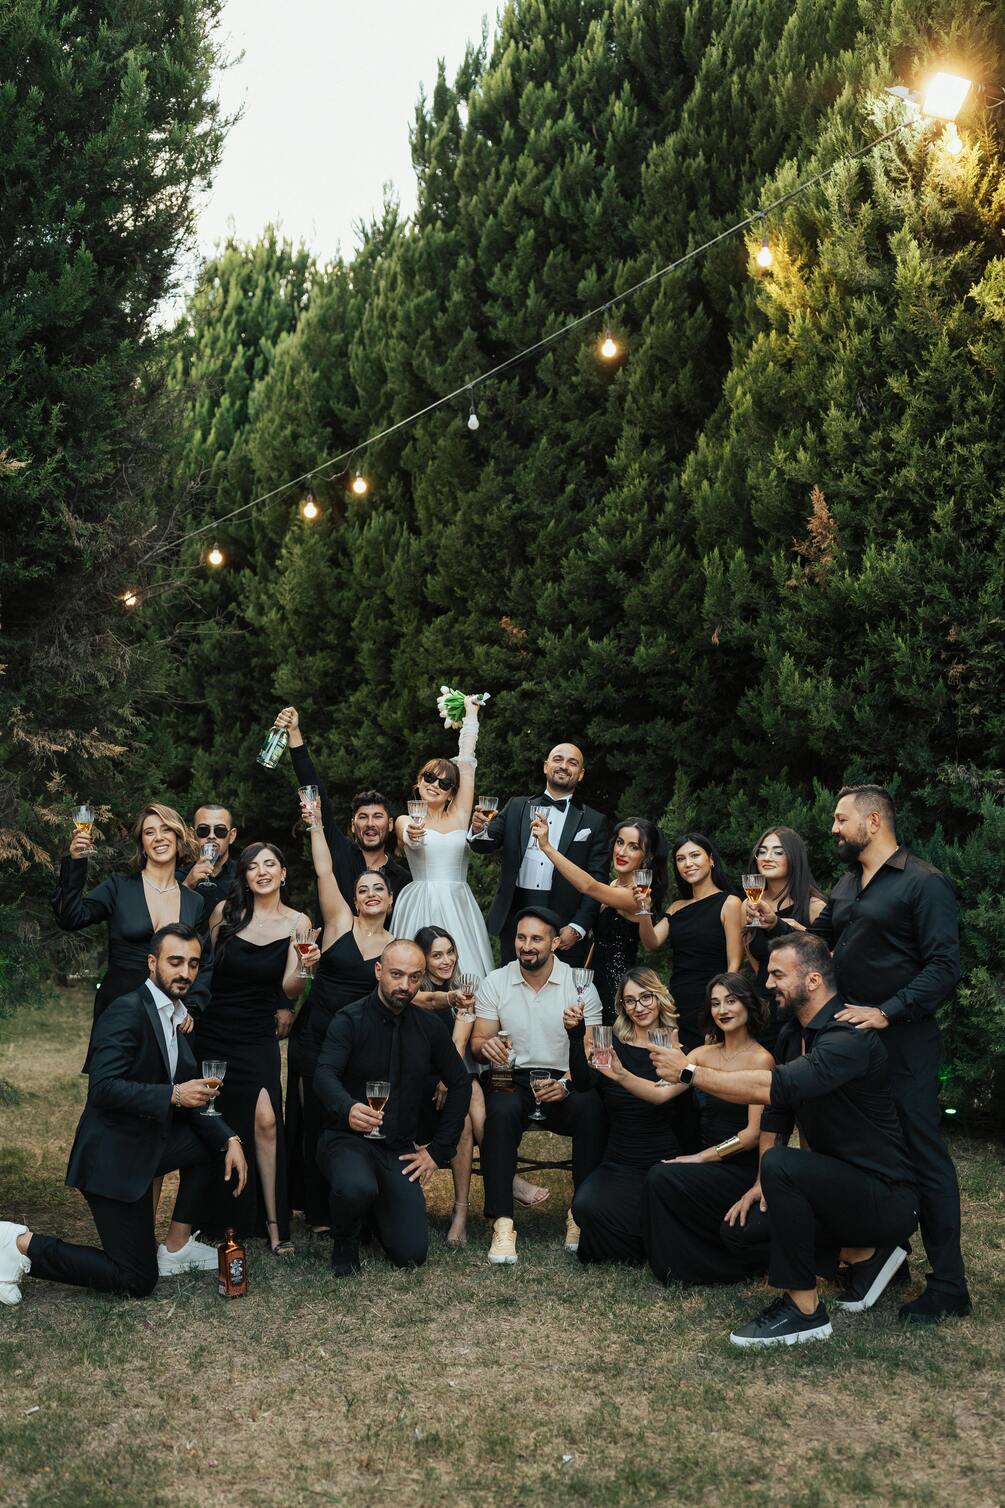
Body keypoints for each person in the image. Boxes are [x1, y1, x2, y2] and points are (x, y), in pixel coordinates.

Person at [750, 784, 969, 1324]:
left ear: (873, 822)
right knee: (852, 1153)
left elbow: (945, 967)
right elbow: (816, 942)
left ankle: (949, 1286)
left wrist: (887, 1011)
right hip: (849, 1048)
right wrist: (773, 928)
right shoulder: (848, 884)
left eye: (840, 819)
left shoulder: (924, 882)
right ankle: (880, 1257)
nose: (833, 828)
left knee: (924, 1158)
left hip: (904, 1045)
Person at [650, 934, 919, 1348]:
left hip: (885, 1196)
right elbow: (777, 1113)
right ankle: (864, 1255)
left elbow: (775, 1087)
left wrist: (689, 1072)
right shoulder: (794, 1035)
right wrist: (761, 1182)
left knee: (782, 1165)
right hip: (834, 1187)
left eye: (777, 974)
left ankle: (804, 1311)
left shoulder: (848, 1037)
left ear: (812, 980)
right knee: (744, 1229)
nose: (768, 983)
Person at [0, 925, 248, 1305]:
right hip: (112, 1159)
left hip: (147, 1144)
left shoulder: (178, 1017)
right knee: (136, 1279)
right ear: (152, 963)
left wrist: (230, 1138)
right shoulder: (126, 1010)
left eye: (193, 964)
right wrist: (174, 1094)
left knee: (212, 1143)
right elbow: (103, 1089)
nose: (185, 972)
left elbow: (189, 1093)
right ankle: (17, 1244)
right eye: (175, 962)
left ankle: (177, 1246)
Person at [314, 940, 471, 1274]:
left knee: (412, 1255)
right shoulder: (349, 1019)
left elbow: (460, 1083)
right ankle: (346, 1242)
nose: (405, 985)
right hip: (347, 1139)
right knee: (356, 1186)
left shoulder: (429, 1026)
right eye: (396, 974)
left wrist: (438, 1151)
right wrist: (348, 1108)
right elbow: (324, 1075)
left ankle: (374, 1213)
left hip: (397, 1147)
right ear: (378, 971)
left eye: (414, 977)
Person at [194, 843, 317, 1254]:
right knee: (217, 1119)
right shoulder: (224, 913)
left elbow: (289, 989)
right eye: (253, 866)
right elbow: (203, 970)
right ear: (245, 876)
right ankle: (218, 1218)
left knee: (266, 1120)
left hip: (256, 1033)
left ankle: (275, 1224)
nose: (262, 871)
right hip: (214, 1029)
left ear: (283, 873)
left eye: (270, 864)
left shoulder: (298, 921)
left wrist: (305, 966)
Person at [471, 907, 606, 1264]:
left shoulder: (579, 985)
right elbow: (478, 1042)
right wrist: (486, 1047)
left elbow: (592, 1052)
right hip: (512, 1075)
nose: (526, 946)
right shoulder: (496, 981)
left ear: (554, 943)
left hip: (565, 1077)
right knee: (500, 1112)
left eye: (536, 938)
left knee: (591, 1108)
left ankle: (580, 1214)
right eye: (521, 937)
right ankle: (503, 1223)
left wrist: (567, 1084)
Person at [288, 804, 394, 1235]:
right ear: (354, 899)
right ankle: (317, 1213)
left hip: (359, 1046)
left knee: (351, 1124)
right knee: (314, 1121)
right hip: (315, 1037)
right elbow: (324, 869)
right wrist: (316, 824)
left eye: (378, 888)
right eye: (363, 888)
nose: (370, 893)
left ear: (390, 899)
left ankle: (354, 1201)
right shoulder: (338, 923)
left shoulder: (397, 947)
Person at [413, 926, 548, 1244]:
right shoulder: (414, 989)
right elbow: (428, 1003)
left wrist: (448, 1077)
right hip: (417, 1081)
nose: (446, 960)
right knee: (470, 1089)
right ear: (423, 959)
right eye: (437, 955)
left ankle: (461, 1214)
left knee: (468, 1101)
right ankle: (504, 1176)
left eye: (450, 952)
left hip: (448, 1075)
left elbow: (459, 1043)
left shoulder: (464, 990)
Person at [51, 802, 211, 1067]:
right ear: (142, 845)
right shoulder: (118, 887)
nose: (158, 837)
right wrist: (77, 862)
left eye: (166, 830)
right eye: (149, 832)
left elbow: (204, 961)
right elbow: (70, 918)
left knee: (168, 1088)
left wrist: (191, 1007)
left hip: (171, 1014)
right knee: (112, 1085)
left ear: (177, 838)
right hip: (119, 1008)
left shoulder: (194, 901)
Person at [642, 974, 774, 1285]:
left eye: (731, 1001)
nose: (722, 1010)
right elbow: (660, 1092)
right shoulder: (702, 1054)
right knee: (659, 1175)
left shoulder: (761, 1059)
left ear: (748, 1004)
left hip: (739, 1167)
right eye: (715, 1003)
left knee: (662, 1177)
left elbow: (752, 1134)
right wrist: (618, 1073)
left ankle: (708, 1268)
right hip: (705, 1161)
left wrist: (699, 1158)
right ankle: (676, 1264)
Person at [564, 969, 684, 1265]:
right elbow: (584, 1083)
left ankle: (654, 1239)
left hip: (663, 1161)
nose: (639, 1007)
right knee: (583, 1207)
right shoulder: (612, 1046)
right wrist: (576, 1036)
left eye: (646, 997)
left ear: (659, 997)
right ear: (622, 1007)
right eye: (630, 1001)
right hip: (619, 1161)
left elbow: (660, 1094)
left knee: (658, 1216)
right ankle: (647, 1241)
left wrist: (620, 1074)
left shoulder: (677, 1048)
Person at [468, 741, 609, 966]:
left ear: (581, 774)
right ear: (545, 766)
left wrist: (578, 926)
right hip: (515, 916)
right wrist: (478, 829)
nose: (563, 766)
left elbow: (597, 880)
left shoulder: (594, 820)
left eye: (572, 763)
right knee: (511, 983)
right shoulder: (516, 806)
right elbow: (484, 845)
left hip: (562, 924)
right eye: (558, 759)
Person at [391, 696, 494, 977]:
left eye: (445, 783)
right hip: (421, 902)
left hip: (459, 903)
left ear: (451, 793)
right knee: (416, 970)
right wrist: (412, 834)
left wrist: (471, 716)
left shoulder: (460, 815)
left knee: (465, 970)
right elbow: (407, 834)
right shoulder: (406, 819)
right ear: (419, 781)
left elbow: (467, 764)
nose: (435, 784)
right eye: (429, 778)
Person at [531, 813, 666, 1023]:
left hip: (617, 985)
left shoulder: (636, 897)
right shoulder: (614, 885)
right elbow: (600, 942)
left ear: (647, 856)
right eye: (620, 842)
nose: (621, 852)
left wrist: (547, 847)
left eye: (633, 847)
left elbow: (588, 886)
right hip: (594, 980)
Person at [274, 706, 411, 900]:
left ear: (390, 824)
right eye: (363, 817)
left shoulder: (403, 879)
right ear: (353, 825)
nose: (370, 824)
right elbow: (313, 785)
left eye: (377, 816)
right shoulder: (339, 850)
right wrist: (294, 732)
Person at [636, 832, 744, 1051]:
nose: (688, 863)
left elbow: (734, 964)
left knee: (706, 1063)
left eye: (695, 855)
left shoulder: (730, 903)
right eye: (681, 859)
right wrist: (644, 910)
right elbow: (651, 942)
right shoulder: (676, 907)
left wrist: (721, 1006)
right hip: (677, 1002)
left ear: (711, 859)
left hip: (711, 1001)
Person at [742, 826, 827, 1049]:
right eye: (762, 851)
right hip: (762, 1007)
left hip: (801, 1008)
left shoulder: (814, 906)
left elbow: (826, 958)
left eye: (778, 852)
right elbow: (756, 960)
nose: (767, 857)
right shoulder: (749, 904)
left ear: (794, 857)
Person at [179, 802, 239, 915]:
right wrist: (187, 885)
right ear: (193, 835)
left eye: (220, 830)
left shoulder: (243, 874)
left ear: (231, 836)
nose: (211, 836)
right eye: (203, 830)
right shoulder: (179, 877)